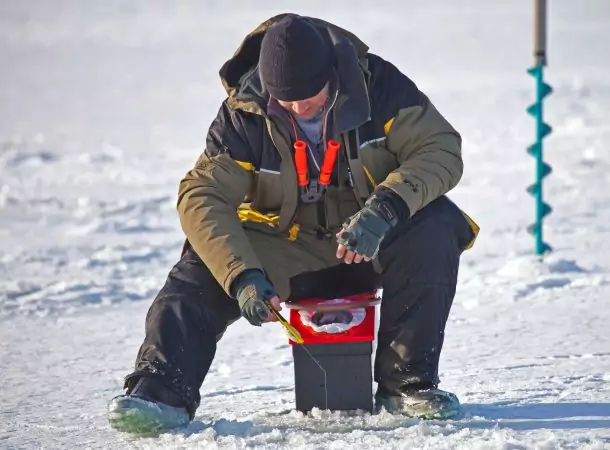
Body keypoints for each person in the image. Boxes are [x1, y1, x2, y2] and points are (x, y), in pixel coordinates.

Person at [108, 13, 479, 435]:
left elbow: (441, 148)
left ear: (333, 74)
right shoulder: (241, 114)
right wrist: (242, 275)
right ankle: (159, 391)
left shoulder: (380, 86)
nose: (301, 108)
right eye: (287, 100)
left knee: (435, 223)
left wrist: (386, 208)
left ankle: (407, 386)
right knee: (202, 263)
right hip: (285, 248)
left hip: (369, 240)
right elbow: (201, 195)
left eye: (311, 96)